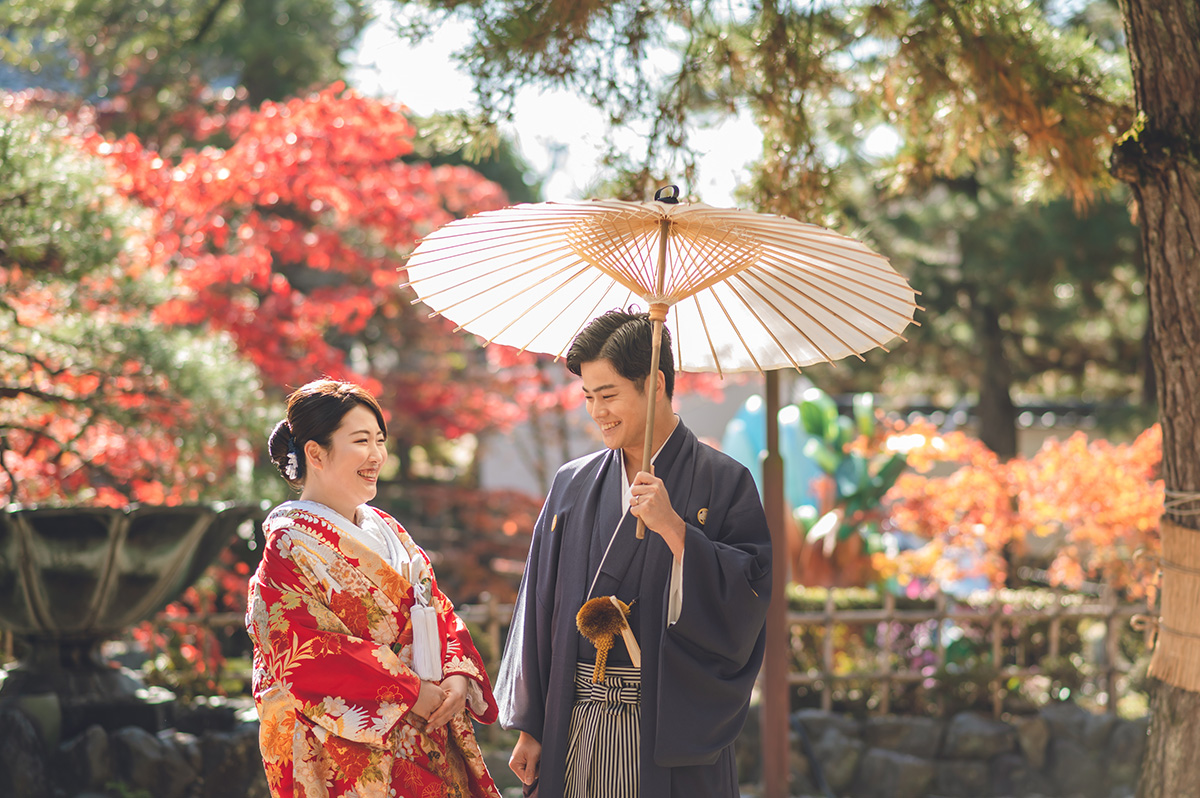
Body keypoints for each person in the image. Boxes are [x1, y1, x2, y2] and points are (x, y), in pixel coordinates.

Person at [496, 309, 773, 798]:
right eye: (588, 397)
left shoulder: (725, 481)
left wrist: (677, 531)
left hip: (667, 724)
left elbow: (748, 599)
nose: (596, 411)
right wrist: (533, 724)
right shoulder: (572, 484)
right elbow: (540, 608)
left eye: (608, 395)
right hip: (576, 717)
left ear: (657, 383)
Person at [246, 379, 501, 798]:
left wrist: (455, 672)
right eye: (361, 441)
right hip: (353, 747)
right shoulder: (288, 545)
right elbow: (298, 649)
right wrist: (408, 690)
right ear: (315, 453)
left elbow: (436, 607)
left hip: (429, 724)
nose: (377, 455)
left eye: (380, 441)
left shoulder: (389, 530)